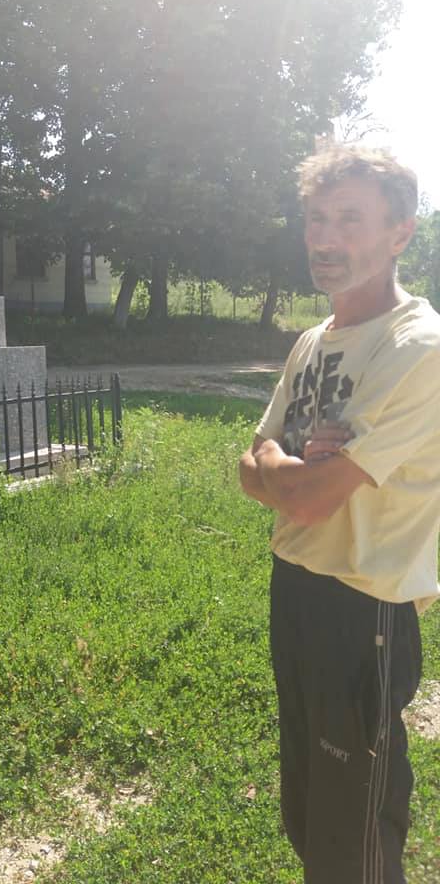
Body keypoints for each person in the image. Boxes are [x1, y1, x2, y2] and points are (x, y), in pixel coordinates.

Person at [238, 144, 440, 884]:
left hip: (366, 608)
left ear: (399, 233)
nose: (325, 238)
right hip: (294, 583)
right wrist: (289, 467)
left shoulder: (418, 347)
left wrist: (284, 471)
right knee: (307, 805)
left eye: (350, 219)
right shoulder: (312, 341)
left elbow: (309, 496)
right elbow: (249, 464)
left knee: (356, 827)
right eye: (316, 219)